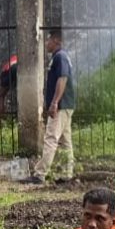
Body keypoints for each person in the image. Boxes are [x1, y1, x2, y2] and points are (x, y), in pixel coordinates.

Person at [24, 30, 75, 185]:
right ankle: (67, 174)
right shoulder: (60, 56)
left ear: (56, 40)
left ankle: (40, 174)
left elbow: (63, 79)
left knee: (51, 138)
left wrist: (54, 102)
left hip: (61, 105)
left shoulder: (60, 57)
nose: (46, 43)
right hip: (66, 104)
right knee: (65, 141)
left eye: (49, 40)